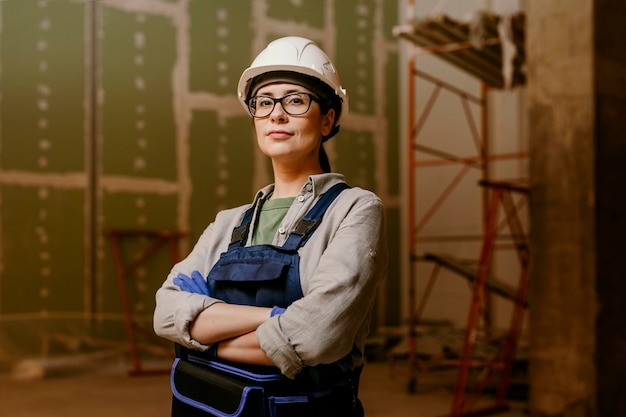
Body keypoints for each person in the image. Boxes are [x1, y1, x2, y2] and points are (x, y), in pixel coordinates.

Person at [153, 36, 387, 417]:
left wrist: (200, 335)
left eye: (295, 100)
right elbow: (165, 313)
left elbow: (315, 336)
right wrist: (274, 318)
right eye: (264, 102)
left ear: (327, 119)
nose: (276, 114)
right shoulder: (228, 223)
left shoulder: (354, 209)